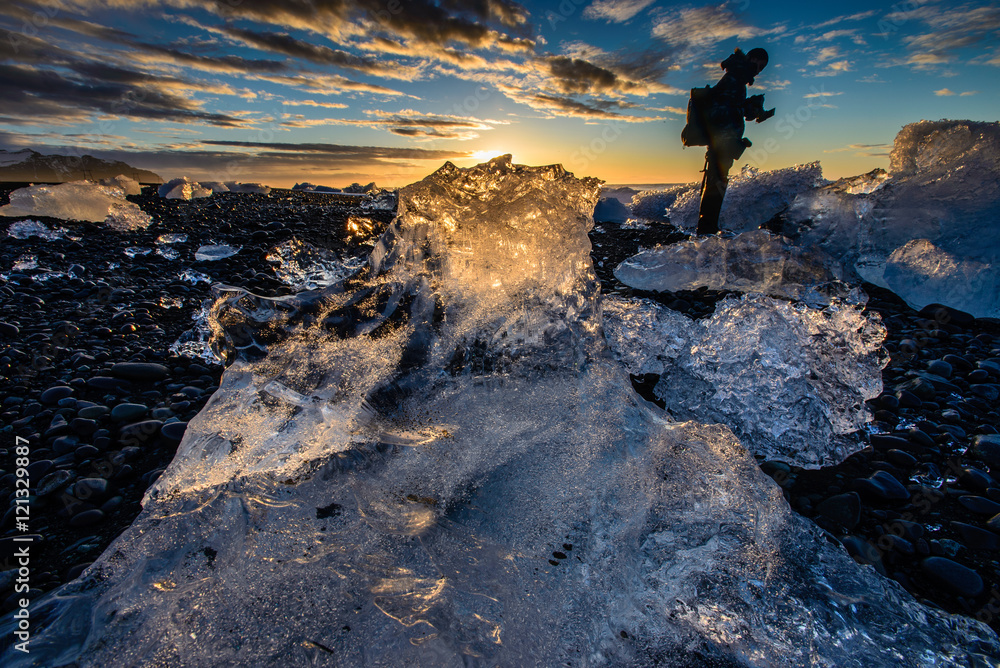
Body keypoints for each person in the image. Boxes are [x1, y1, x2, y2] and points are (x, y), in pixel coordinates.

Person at [682, 47, 775, 235]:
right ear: (750, 58)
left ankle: (708, 226)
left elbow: (728, 106)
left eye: (762, 68)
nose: (758, 70)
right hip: (723, 141)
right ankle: (707, 228)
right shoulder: (735, 78)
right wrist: (729, 137)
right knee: (717, 183)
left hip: (724, 140)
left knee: (717, 182)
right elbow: (722, 110)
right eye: (758, 64)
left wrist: (747, 108)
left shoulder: (737, 78)